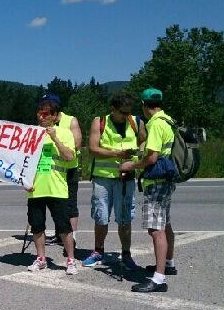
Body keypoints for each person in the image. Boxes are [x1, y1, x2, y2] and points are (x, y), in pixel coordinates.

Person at [120, 88, 176, 293]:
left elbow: (151, 158)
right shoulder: (169, 121)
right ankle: (168, 263)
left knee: (156, 229)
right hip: (167, 179)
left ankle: (158, 280)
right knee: (166, 223)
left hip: (157, 182)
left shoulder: (155, 125)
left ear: (144, 105)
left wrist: (130, 166)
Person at [83, 93, 146, 270]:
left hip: (126, 177)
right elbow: (93, 149)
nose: (126, 115)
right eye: (122, 112)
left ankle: (126, 254)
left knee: (125, 218)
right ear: (113, 109)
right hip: (103, 178)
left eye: (128, 112)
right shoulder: (100, 121)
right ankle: (98, 251)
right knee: (101, 216)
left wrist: (136, 156)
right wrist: (117, 154)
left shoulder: (136, 121)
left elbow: (144, 141)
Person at [26, 99, 78, 275]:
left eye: (46, 113)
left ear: (55, 116)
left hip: (57, 187)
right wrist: (25, 180)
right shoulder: (32, 133)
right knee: (37, 226)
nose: (41, 116)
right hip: (36, 188)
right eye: (39, 113)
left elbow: (69, 156)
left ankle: (71, 259)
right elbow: (24, 161)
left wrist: (54, 137)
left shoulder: (65, 132)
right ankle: (41, 258)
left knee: (64, 227)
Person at [40, 94, 83, 247]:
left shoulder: (70, 120)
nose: (44, 111)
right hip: (49, 169)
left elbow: (77, 143)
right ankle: (60, 234)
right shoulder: (43, 121)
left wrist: (61, 140)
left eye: (48, 107)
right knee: (54, 204)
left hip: (68, 168)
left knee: (70, 204)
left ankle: (72, 237)